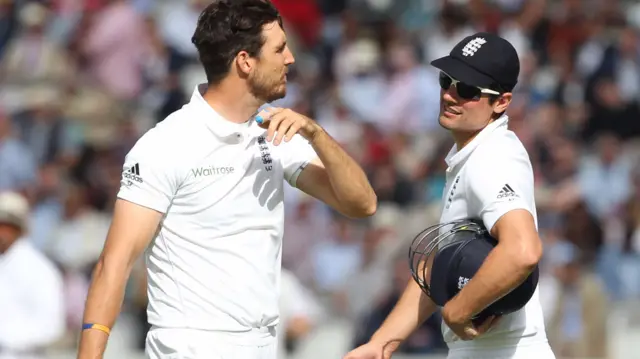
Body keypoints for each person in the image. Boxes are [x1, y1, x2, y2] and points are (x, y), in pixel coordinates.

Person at [76, 1, 377, 359]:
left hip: (264, 343)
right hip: (191, 346)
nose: (291, 58)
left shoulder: (275, 131)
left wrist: (317, 135)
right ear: (245, 61)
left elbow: (362, 204)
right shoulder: (165, 144)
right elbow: (114, 264)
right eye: (279, 49)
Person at [344, 33, 555, 359]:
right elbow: (442, 268)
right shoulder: (472, 155)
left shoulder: (492, 157)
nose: (450, 95)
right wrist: (382, 343)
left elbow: (523, 250)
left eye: (468, 90)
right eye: (447, 81)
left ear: (501, 102)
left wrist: (457, 310)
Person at [0, 191, 66, 358]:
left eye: (5, 224)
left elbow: (52, 327)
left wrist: (7, 337)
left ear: (19, 228)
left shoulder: (40, 270)